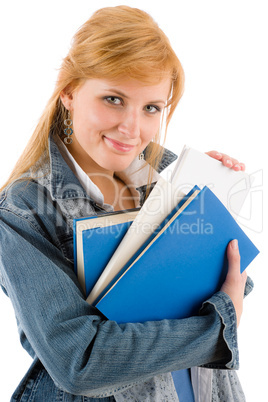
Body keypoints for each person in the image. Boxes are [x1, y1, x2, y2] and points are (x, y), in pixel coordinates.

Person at [0, 6, 253, 401]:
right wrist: (216, 329)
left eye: (151, 108)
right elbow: (79, 361)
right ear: (68, 92)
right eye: (114, 99)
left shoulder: (170, 177)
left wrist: (214, 203)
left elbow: (234, 288)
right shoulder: (23, 209)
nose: (132, 129)